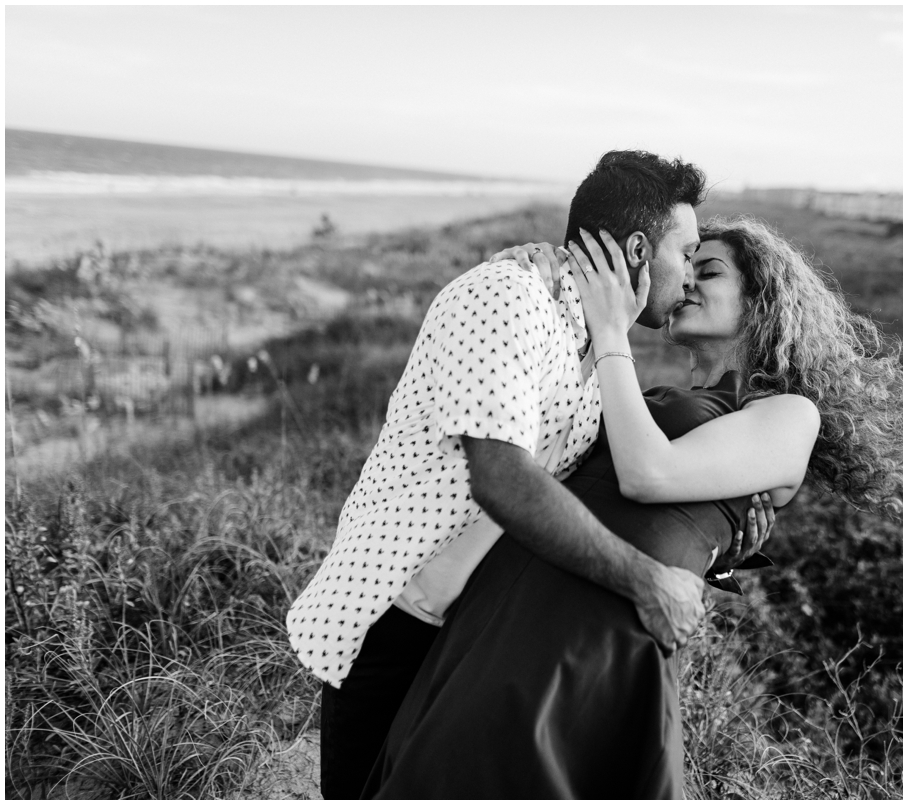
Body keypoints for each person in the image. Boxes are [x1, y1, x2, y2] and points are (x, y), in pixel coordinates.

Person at [362, 217, 903, 798]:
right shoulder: (647, 395)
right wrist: (533, 284)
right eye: (685, 264)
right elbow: (544, 443)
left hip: (598, 631)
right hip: (499, 608)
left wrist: (613, 335)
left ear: (764, 302)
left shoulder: (789, 414)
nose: (686, 281)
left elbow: (645, 475)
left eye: (708, 270)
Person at [286, 150, 775, 799]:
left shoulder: (598, 353)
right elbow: (503, 478)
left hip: (474, 631)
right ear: (636, 248)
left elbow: (614, 484)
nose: (688, 274)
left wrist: (724, 534)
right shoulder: (508, 296)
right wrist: (646, 581)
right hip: (393, 616)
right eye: (684, 253)